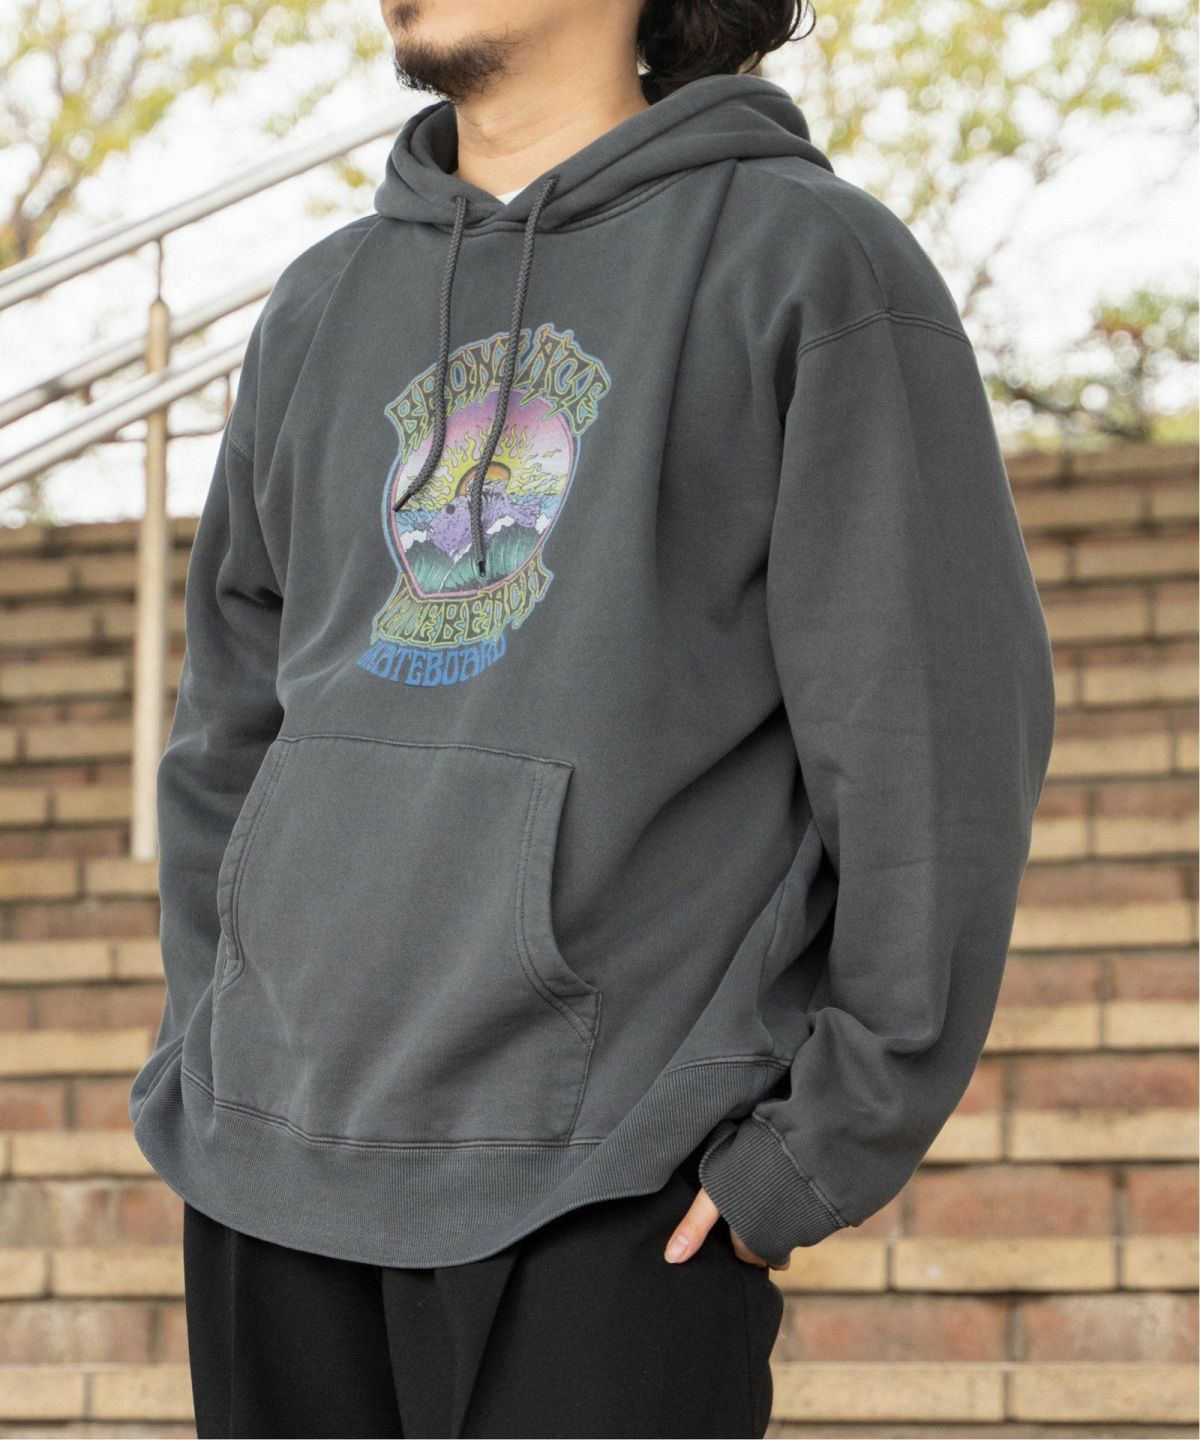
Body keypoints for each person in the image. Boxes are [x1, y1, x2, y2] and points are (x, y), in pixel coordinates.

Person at [128, 0, 1058, 1434]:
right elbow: (225, 729)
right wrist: (214, 1043)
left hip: (613, 1178)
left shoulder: (812, 266)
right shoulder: (319, 305)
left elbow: (929, 741)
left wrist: (822, 1142)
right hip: (272, 1165)